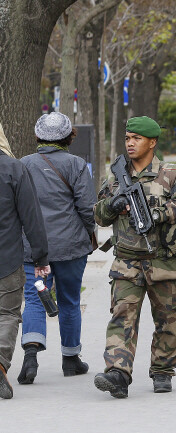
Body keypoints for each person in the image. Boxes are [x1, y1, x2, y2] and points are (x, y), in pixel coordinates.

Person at [93, 116, 176, 398]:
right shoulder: (116, 175)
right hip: (126, 261)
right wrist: (112, 205)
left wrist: (156, 213)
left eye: (136, 138)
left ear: (152, 142)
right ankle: (117, 373)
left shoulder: (173, 173)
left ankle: (162, 370)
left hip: (163, 261)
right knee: (121, 318)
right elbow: (99, 216)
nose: (130, 143)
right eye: (127, 138)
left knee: (168, 320)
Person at [17, 112, 97, 385]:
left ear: (38, 136)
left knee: (34, 298)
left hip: (33, 247)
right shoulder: (77, 165)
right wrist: (91, 232)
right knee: (69, 300)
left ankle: (30, 354)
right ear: (68, 137)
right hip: (71, 247)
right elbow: (87, 208)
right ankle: (71, 359)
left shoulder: (23, 165)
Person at [0, 123, 50, 399]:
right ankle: (0, 363)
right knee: (7, 314)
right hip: (7, 257)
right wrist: (41, 256)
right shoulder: (14, 169)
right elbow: (31, 217)